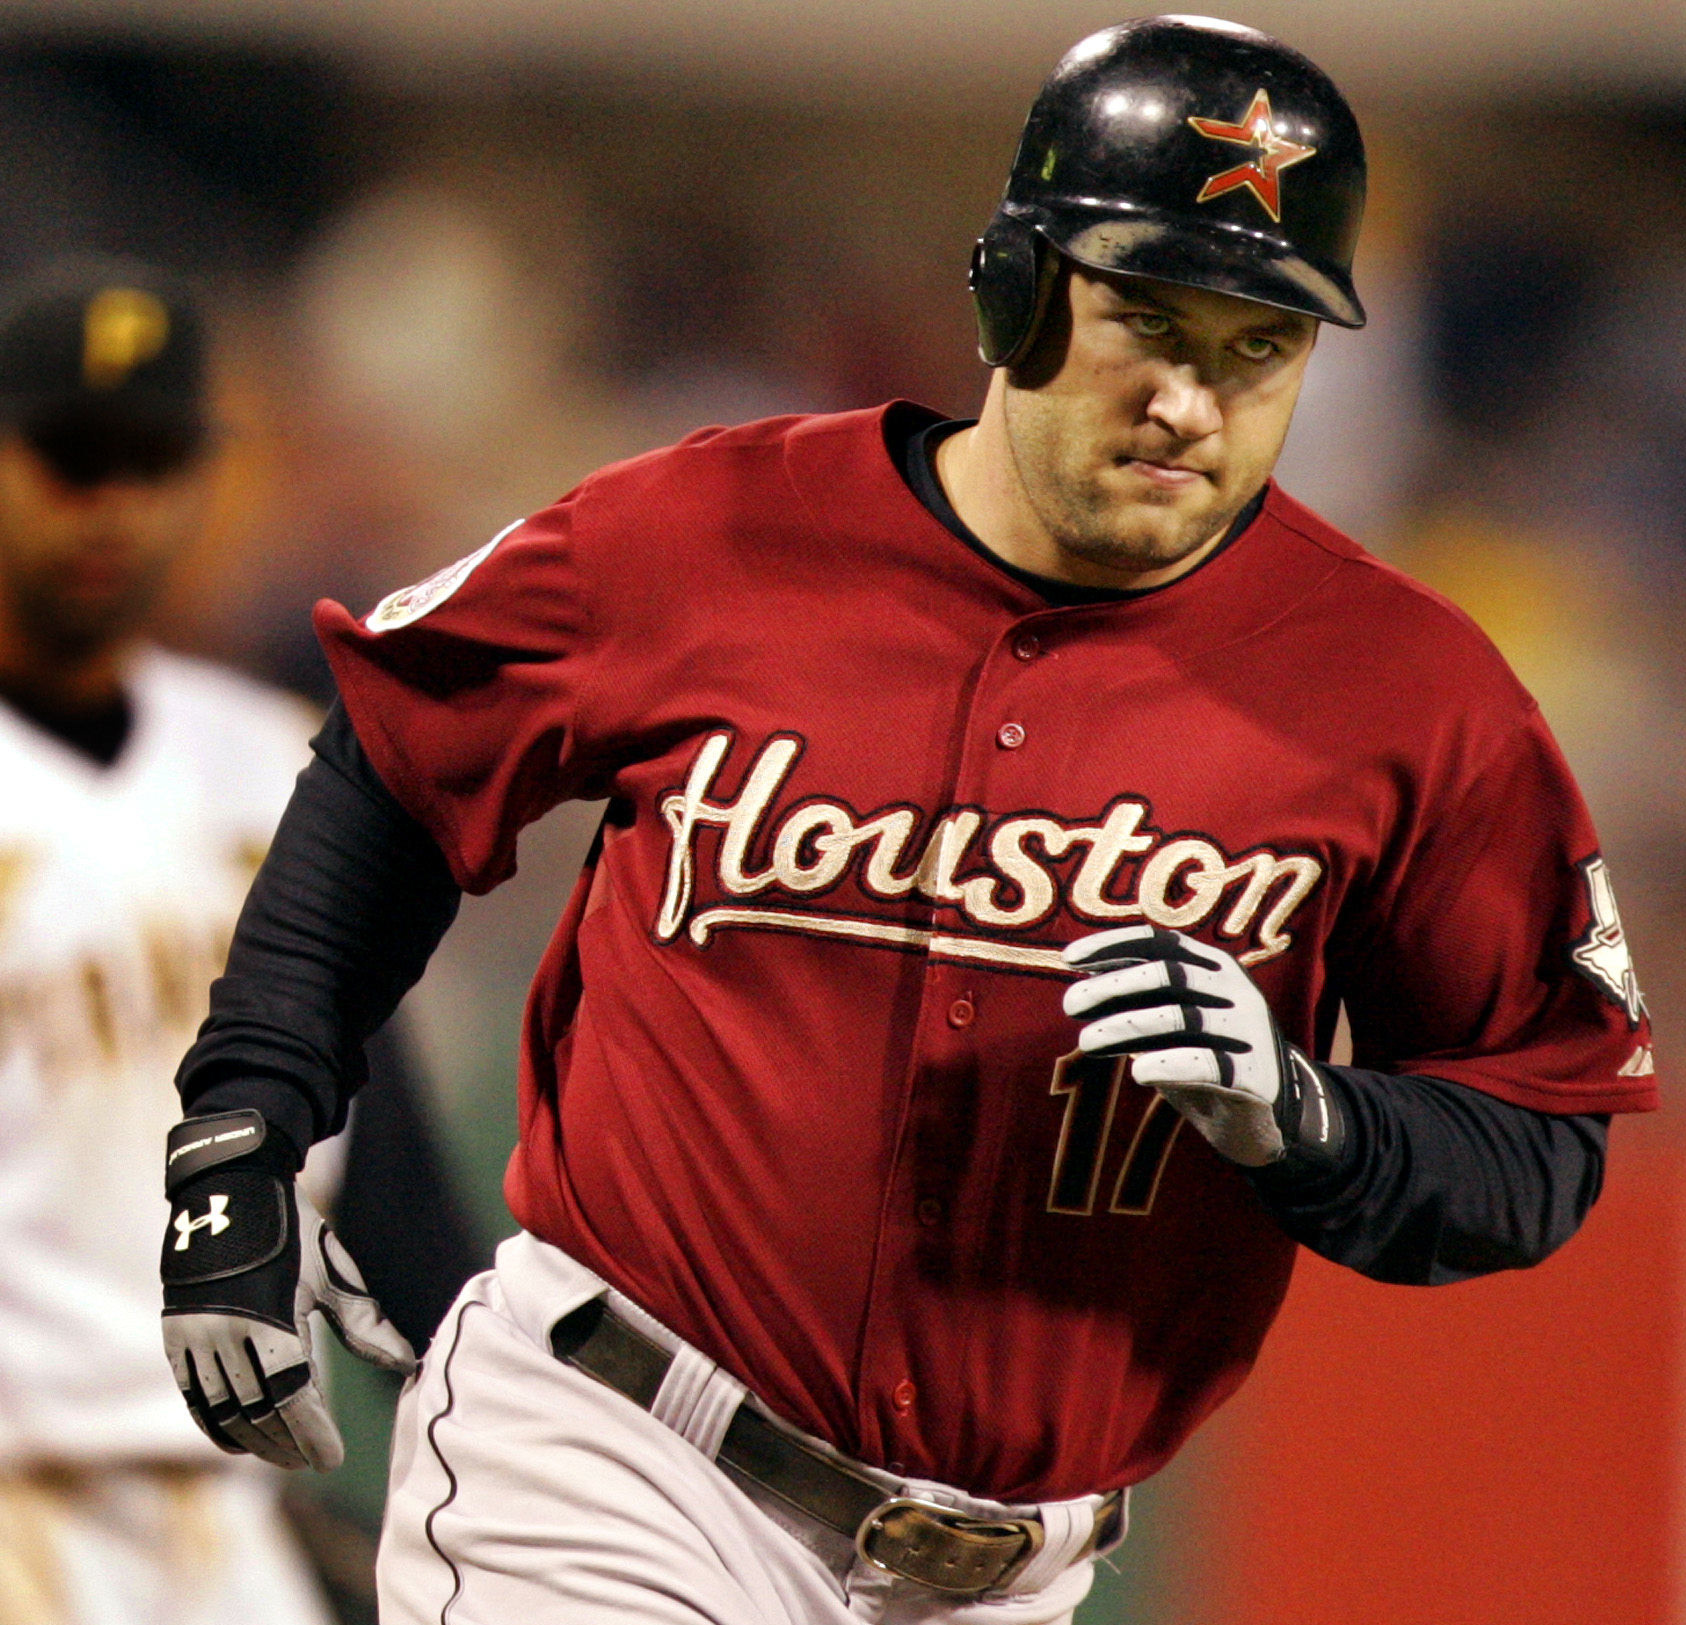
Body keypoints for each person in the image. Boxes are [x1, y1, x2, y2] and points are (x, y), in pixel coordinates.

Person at [160, 18, 1656, 1625]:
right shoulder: (707, 531)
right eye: (1143, 318)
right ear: (1013, 289)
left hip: (1013, 1564)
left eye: (1253, 348)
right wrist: (252, 1115)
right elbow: (395, 749)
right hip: (615, 1462)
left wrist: (1312, 1121)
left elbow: (1538, 1137)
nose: (1187, 401)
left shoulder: (1406, 692)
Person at [0, 259, 339, 1624]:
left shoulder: (264, 760)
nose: (115, 508)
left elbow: (373, 1149)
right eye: (74, 460)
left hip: (228, 1506)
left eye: (153, 464)